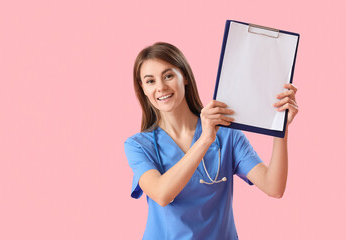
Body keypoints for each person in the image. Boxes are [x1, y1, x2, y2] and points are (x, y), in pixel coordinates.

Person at [124, 42, 298, 239]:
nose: (161, 87)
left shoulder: (227, 135)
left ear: (185, 77)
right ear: (143, 89)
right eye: (150, 81)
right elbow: (162, 195)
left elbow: (273, 187)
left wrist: (279, 128)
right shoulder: (138, 145)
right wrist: (205, 140)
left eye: (168, 76)